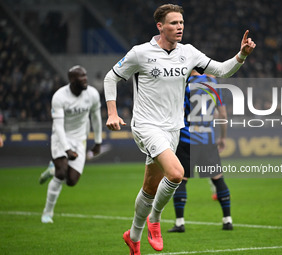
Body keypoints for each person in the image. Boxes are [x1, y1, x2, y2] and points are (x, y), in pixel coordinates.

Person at [104, 4, 255, 254]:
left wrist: (242, 55)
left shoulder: (189, 53)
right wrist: (112, 111)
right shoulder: (140, 53)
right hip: (146, 126)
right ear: (160, 26)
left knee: (150, 188)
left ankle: (133, 236)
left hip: (173, 128)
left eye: (182, 23)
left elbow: (221, 70)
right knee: (175, 174)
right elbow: (111, 77)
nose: (180, 27)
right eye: (174, 23)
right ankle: (155, 219)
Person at [168, 70, 233, 233]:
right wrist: (223, 137)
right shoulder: (214, 84)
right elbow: (222, 113)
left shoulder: (184, 83)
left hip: (187, 138)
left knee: (181, 180)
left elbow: (177, 111)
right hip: (208, 138)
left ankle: (180, 222)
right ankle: (227, 220)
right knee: (218, 178)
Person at [40, 65, 102, 223]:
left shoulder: (92, 94)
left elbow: (96, 117)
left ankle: (52, 168)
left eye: (86, 76)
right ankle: (47, 213)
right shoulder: (60, 97)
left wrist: (98, 142)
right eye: (81, 77)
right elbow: (58, 127)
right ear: (72, 80)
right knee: (61, 174)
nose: (85, 79)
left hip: (80, 139)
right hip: (61, 138)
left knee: (71, 181)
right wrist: (66, 149)